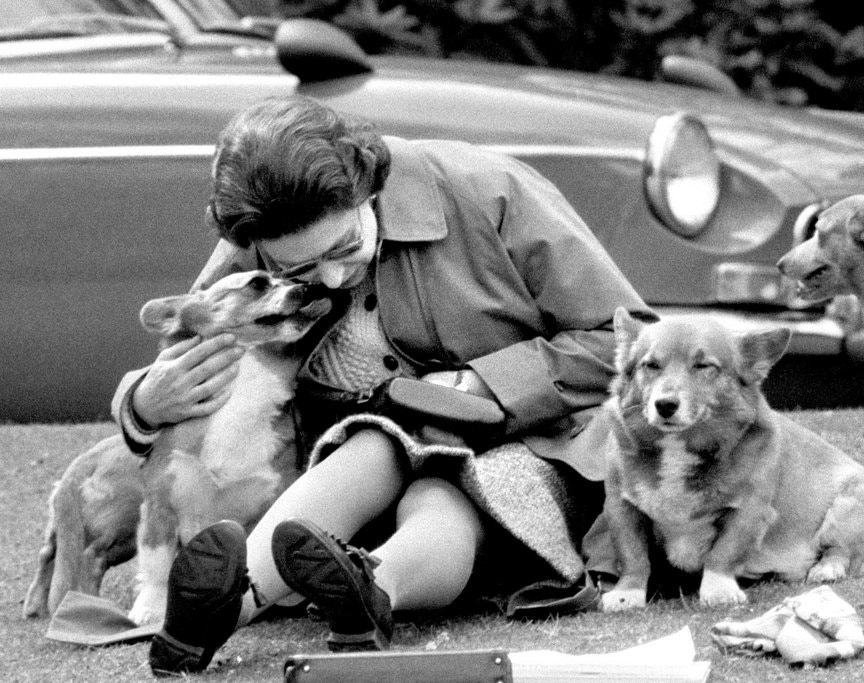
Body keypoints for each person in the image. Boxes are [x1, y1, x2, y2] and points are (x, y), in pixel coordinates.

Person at [111, 94, 651, 675]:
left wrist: (481, 383)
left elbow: (626, 339)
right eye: (300, 270)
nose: (333, 277)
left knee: (445, 493)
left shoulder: (489, 189)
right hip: (360, 455)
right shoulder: (266, 227)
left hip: (530, 439)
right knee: (375, 443)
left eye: (344, 248)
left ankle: (371, 587)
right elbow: (191, 335)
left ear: (368, 185)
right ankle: (221, 609)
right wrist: (141, 404)